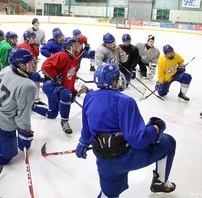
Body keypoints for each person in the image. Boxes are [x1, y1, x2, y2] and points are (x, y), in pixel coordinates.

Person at [76, 64, 176, 198]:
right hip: (127, 157)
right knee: (169, 143)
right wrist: (155, 129)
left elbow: (87, 129)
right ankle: (160, 182)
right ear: (113, 81)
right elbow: (137, 140)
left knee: (108, 194)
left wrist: (83, 143)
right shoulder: (125, 101)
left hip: (103, 162)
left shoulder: (89, 97)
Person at [32, 37, 80, 134]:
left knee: (52, 114)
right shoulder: (62, 55)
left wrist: (73, 90)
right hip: (51, 85)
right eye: (75, 46)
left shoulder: (75, 59)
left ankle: (31, 106)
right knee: (66, 95)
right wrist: (55, 76)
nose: (78, 47)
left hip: (59, 87)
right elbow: (45, 66)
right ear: (68, 47)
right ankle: (64, 121)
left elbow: (70, 77)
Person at [17, 30, 45, 106]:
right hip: (24, 71)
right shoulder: (22, 46)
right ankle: (26, 101)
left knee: (35, 79)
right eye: (32, 38)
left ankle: (34, 99)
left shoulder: (34, 47)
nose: (34, 39)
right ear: (27, 38)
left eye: (34, 37)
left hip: (31, 69)